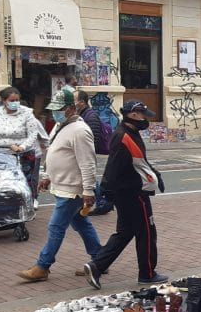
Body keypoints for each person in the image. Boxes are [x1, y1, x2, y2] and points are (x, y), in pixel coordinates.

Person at [17, 88, 101, 282]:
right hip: (63, 185)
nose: (55, 112)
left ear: (71, 108)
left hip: (72, 189)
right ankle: (100, 260)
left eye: (60, 109)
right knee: (80, 223)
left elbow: (88, 163)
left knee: (56, 227)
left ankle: (43, 266)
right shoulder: (60, 125)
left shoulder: (80, 131)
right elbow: (53, 151)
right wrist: (47, 175)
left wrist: (88, 190)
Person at [83, 101, 167, 289]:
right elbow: (113, 166)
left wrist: (156, 174)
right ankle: (147, 273)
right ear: (134, 115)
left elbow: (141, 162)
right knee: (146, 232)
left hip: (127, 192)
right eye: (143, 114)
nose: (146, 119)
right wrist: (107, 192)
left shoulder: (130, 133)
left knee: (125, 232)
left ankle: (96, 266)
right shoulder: (123, 136)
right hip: (133, 193)